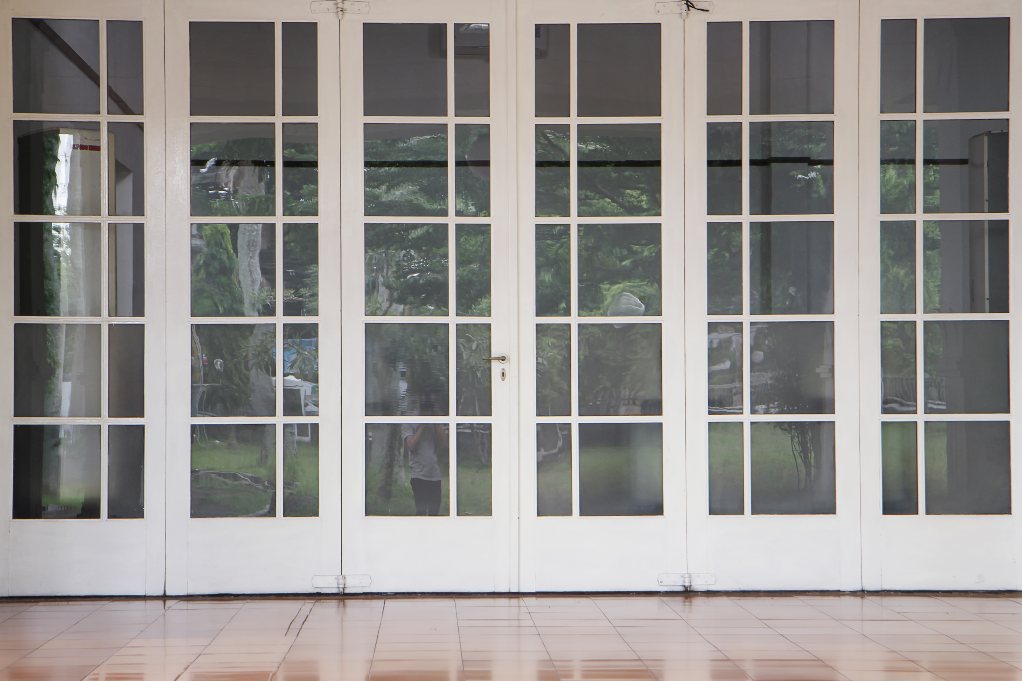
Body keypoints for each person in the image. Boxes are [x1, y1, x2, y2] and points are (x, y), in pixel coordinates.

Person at [401, 420, 445, 515]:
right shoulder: (409, 420)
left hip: (435, 475)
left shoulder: (434, 420)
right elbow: (410, 445)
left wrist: (435, 420)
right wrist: (423, 425)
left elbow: (443, 443)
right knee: (421, 512)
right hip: (418, 475)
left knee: (434, 513)